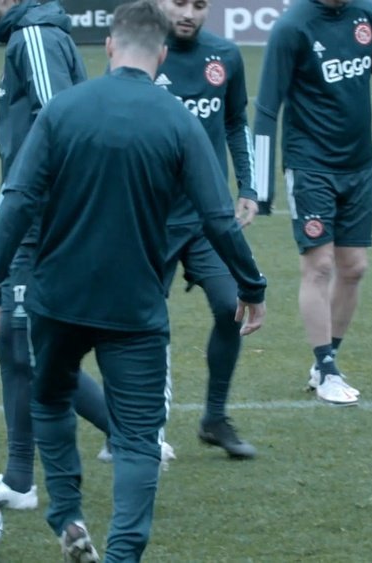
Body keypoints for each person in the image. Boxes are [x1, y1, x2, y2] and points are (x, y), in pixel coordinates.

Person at [0, 1, 267, 559]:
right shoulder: (176, 117)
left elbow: (18, 201)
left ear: (108, 46)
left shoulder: (64, 111)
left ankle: (67, 514)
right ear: (159, 56)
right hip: (134, 307)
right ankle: (123, 552)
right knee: (136, 440)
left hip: (57, 299)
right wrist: (252, 285)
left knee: (51, 397)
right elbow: (218, 217)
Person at [0, 0, 136, 510]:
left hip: (42, 219)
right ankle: (24, 477)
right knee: (19, 345)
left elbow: (60, 121)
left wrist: (11, 200)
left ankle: (125, 434)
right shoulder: (34, 36)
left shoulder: (34, 36)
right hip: (38, 214)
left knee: (27, 345)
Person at [253, 0, 372, 406]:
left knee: (354, 268)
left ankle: (328, 359)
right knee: (319, 265)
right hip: (311, 166)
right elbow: (268, 106)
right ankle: (326, 369)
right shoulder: (293, 26)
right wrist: (259, 188)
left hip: (359, 164)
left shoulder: (368, 15)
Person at [149, 0, 257, 459]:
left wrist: (249, 186)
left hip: (205, 216)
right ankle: (139, 427)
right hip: (151, 217)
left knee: (231, 306)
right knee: (141, 324)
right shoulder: (145, 53)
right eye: (179, 2)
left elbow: (235, 122)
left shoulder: (225, 56)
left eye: (199, 4)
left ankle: (214, 418)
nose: (189, 12)